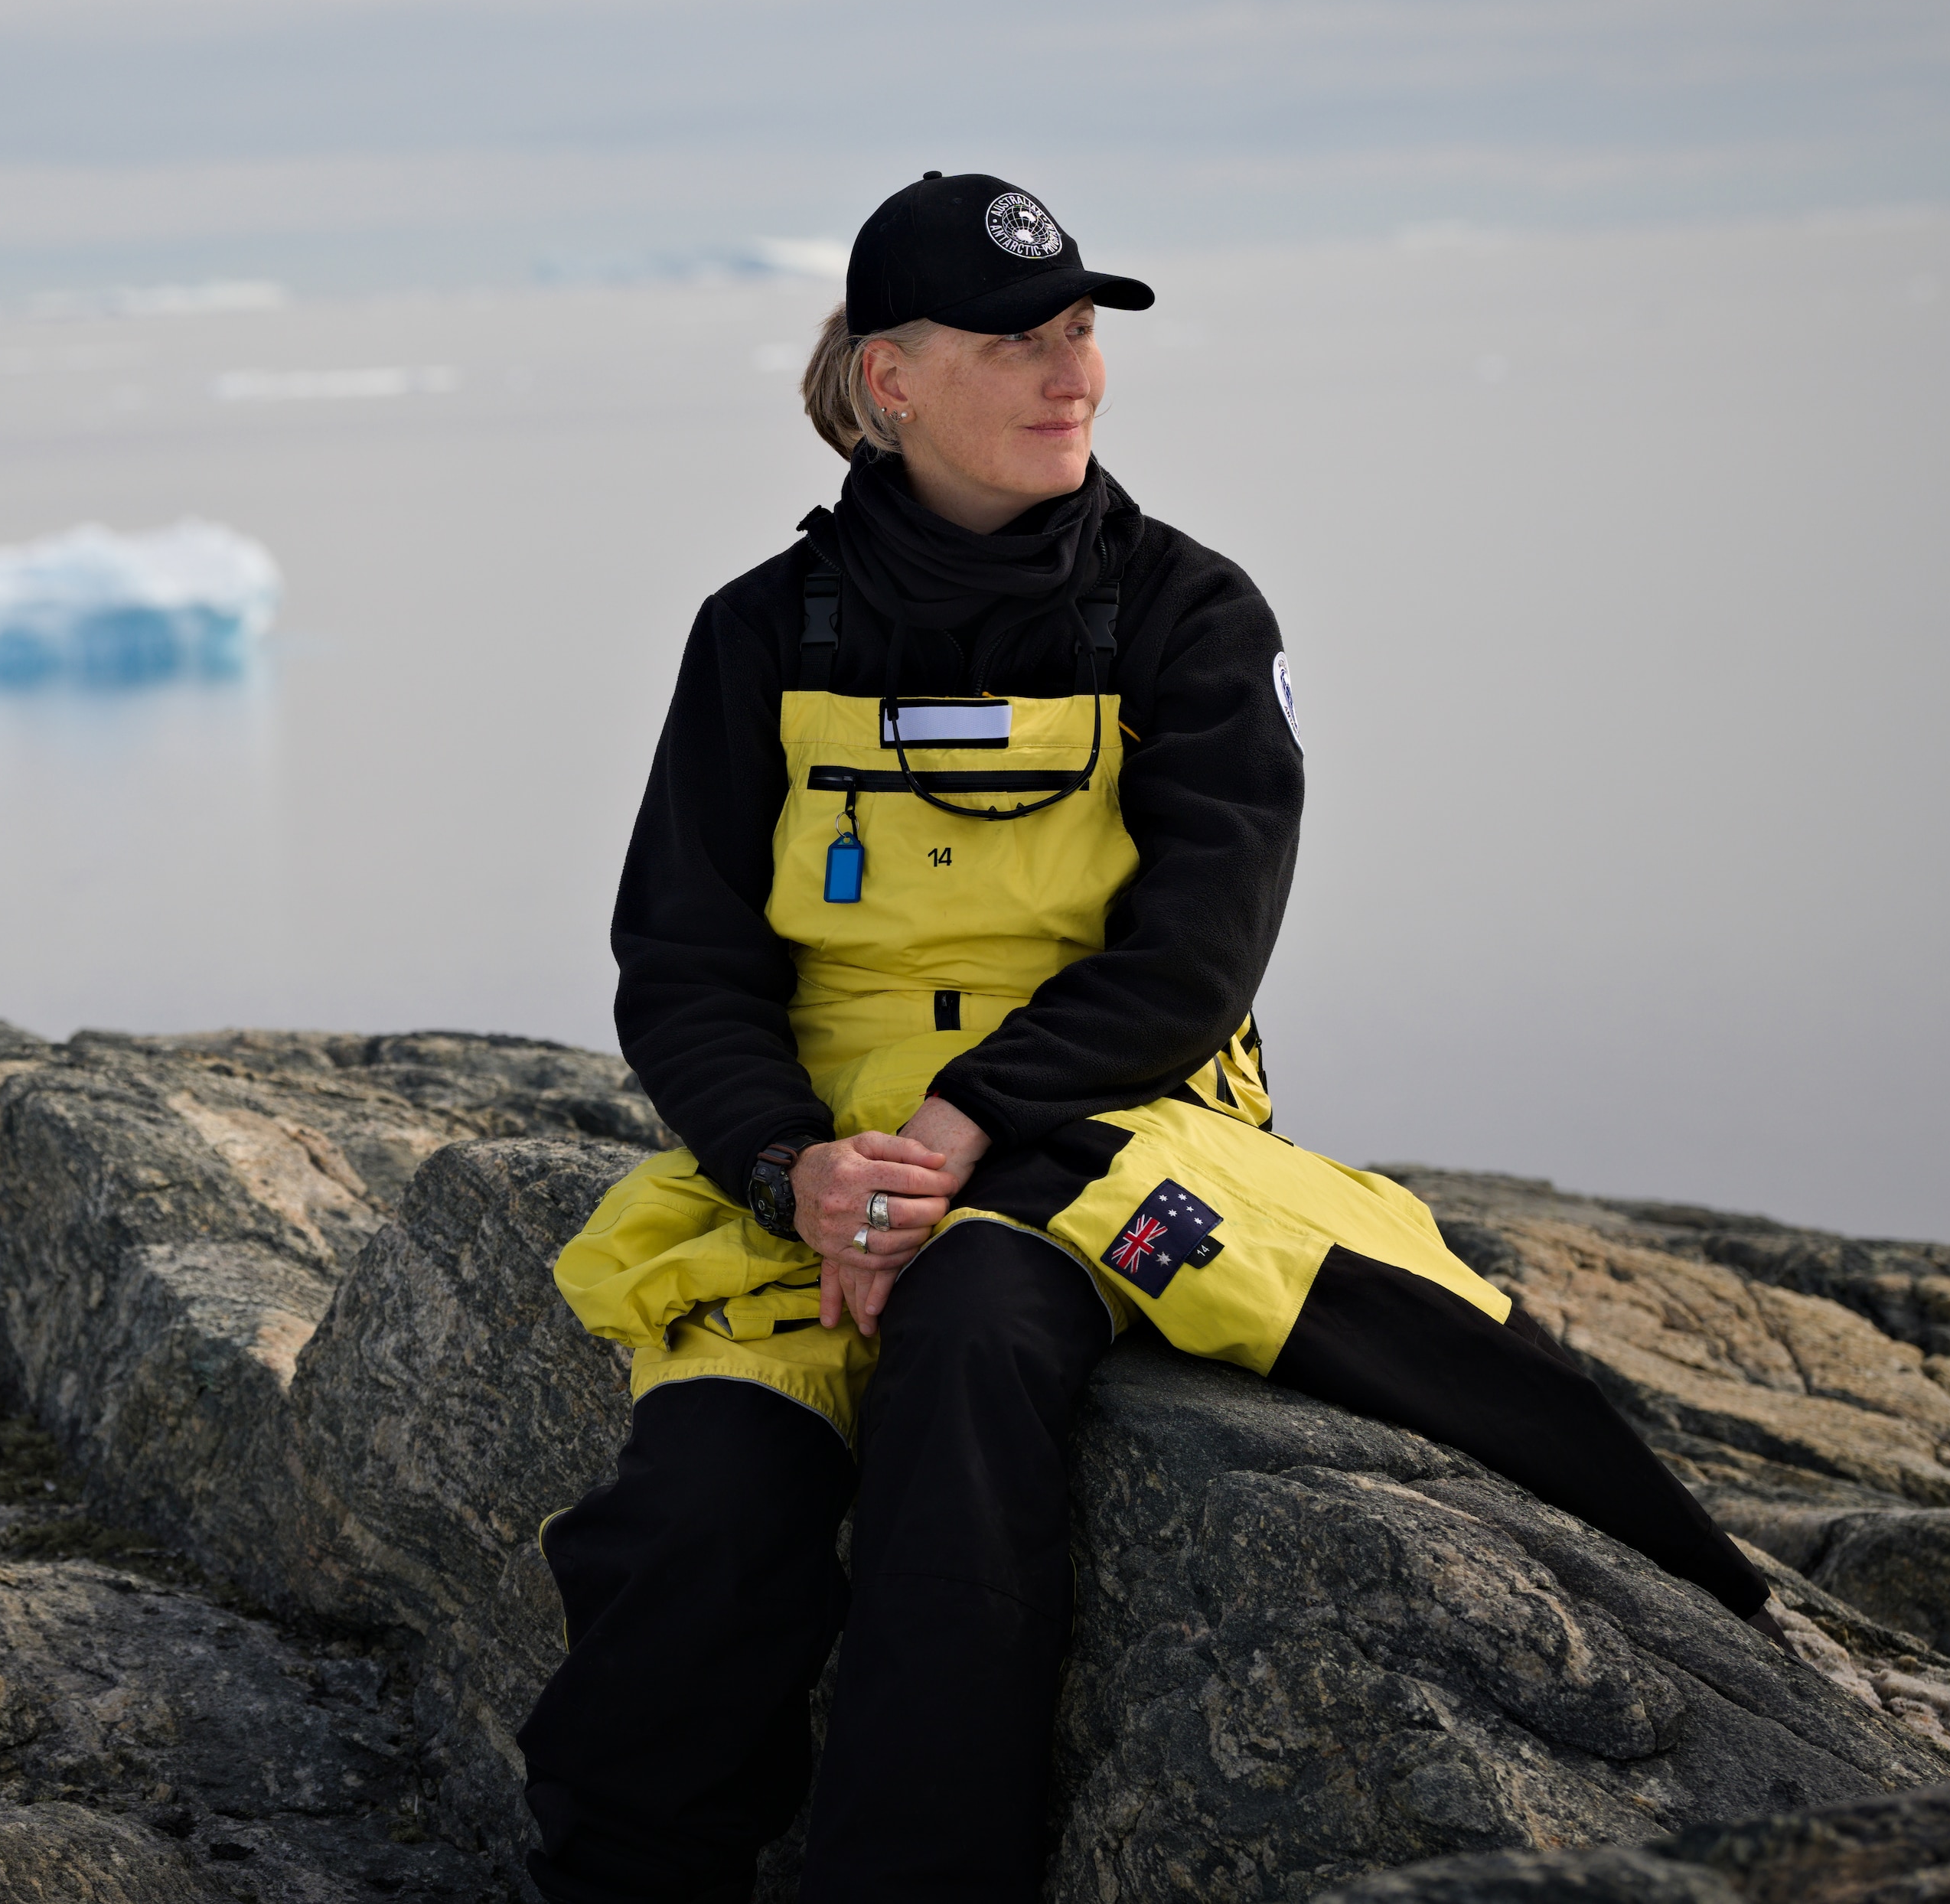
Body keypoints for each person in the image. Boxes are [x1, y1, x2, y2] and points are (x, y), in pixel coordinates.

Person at [515, 173, 1769, 1904]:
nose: (1072, 374)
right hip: (819, 1158)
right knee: (706, 1499)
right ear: (889, 379)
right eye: (1017, 340)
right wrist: (793, 1161)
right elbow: (682, 960)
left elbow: (1197, 949)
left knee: (970, 1342)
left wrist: (961, 1127)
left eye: (1080, 330)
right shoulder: (758, 633)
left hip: (1102, 1125)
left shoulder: (1187, 612)